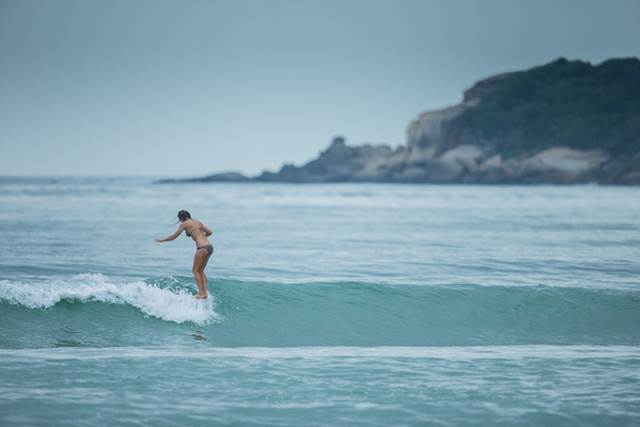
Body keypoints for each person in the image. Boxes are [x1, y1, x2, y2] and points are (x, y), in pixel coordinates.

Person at [155, 210, 214, 299]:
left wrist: (162, 240)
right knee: (201, 271)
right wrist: (200, 237)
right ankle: (205, 293)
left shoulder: (185, 224)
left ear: (184, 218)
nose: (181, 221)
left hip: (202, 248)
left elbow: (174, 236)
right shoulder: (198, 222)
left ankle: (201, 293)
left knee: (195, 271)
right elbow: (210, 232)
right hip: (209, 247)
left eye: (181, 219)